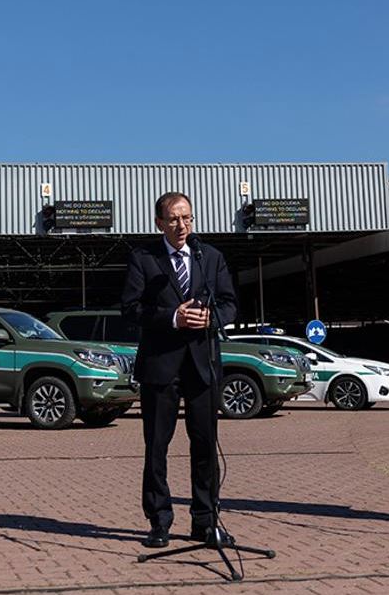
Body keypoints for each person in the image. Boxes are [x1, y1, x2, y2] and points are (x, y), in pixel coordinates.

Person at [121, 191, 237, 548]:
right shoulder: (144, 260)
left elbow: (230, 304)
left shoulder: (210, 257)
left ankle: (205, 521)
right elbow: (130, 309)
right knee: (157, 445)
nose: (182, 225)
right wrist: (173, 316)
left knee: (204, 444)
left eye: (187, 218)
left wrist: (210, 319)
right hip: (160, 366)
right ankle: (159, 521)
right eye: (173, 219)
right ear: (159, 223)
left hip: (202, 366)